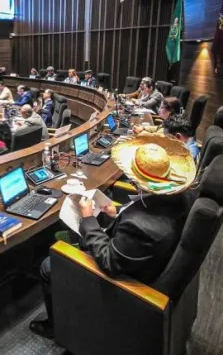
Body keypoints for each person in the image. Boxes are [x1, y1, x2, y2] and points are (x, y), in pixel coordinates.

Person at [31, 136, 197, 339]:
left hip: (126, 286)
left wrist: (88, 218)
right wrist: (116, 211)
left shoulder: (141, 227)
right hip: (141, 259)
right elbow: (138, 219)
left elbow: (109, 262)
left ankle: (56, 327)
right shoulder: (181, 198)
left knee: (48, 265)